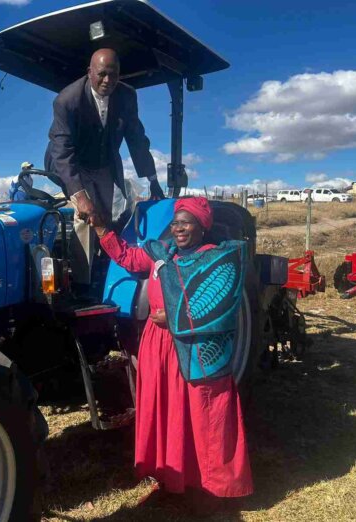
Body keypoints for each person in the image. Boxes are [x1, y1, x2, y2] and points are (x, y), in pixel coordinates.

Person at [92, 197, 253, 508]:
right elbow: (127, 256)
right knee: (165, 408)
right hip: (158, 344)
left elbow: (220, 307)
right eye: (176, 223)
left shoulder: (216, 260)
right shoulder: (161, 255)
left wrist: (175, 315)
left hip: (195, 348)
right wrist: (100, 227)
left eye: (186, 222)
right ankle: (171, 476)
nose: (179, 228)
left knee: (202, 413)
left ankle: (209, 487)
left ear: (203, 227)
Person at [45, 48, 164, 285]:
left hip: (104, 163)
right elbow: (62, 151)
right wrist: (80, 196)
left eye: (114, 74)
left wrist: (153, 180)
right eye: (102, 74)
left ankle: (105, 273)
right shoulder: (66, 101)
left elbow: (136, 139)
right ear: (89, 72)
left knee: (104, 218)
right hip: (72, 163)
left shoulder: (127, 96)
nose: (108, 80)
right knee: (85, 216)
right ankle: (83, 284)